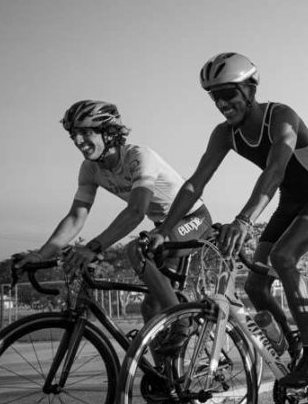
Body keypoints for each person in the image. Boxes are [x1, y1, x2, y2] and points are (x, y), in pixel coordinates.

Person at [147, 52, 308, 388]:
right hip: (288, 202)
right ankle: (293, 343)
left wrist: (244, 221)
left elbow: (276, 168)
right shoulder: (225, 134)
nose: (222, 103)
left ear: (250, 89)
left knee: (283, 258)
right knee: (254, 285)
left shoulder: (281, 116)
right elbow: (195, 183)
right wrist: (164, 230)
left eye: (228, 94)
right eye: (215, 97)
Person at [16, 99, 213, 325]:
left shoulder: (138, 157)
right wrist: (42, 254)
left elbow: (136, 211)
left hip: (194, 219)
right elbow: (75, 217)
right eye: (73, 136)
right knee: (150, 307)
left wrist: (94, 247)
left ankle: (181, 324)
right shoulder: (90, 169)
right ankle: (163, 360)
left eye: (85, 133)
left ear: (108, 133)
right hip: (164, 229)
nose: (78, 141)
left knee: (137, 249)